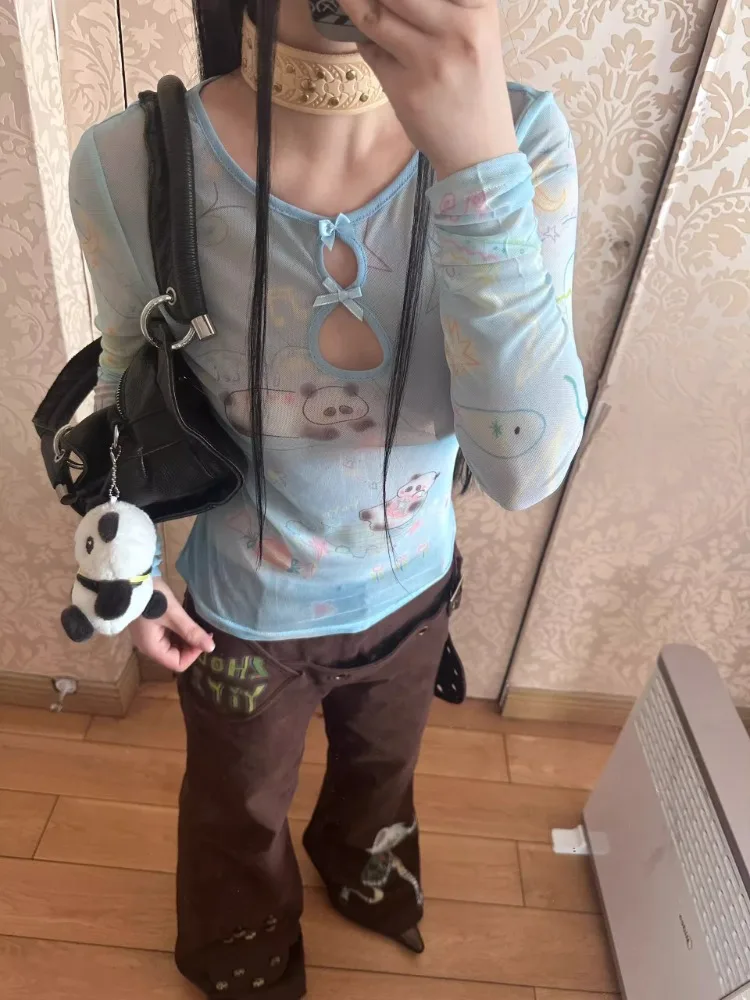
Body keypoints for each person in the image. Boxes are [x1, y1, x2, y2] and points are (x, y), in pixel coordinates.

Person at [68, 0, 587, 995]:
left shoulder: (523, 138)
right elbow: (128, 388)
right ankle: (243, 949)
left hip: (414, 593)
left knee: (382, 775)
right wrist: (129, 571)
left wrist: (477, 163)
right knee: (236, 809)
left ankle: (365, 867)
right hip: (237, 620)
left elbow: (523, 469)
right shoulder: (130, 159)